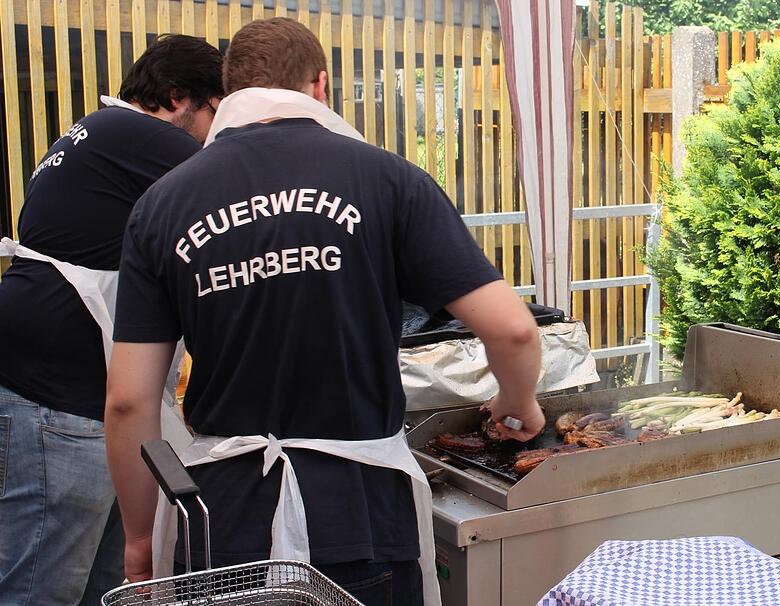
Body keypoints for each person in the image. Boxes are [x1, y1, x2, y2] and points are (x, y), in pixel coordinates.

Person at [104, 17, 544, 606]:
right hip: (356, 513)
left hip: (221, 520)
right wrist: (518, 402)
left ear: (228, 92)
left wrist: (138, 536)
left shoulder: (160, 205)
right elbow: (514, 330)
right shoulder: (388, 179)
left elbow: (128, 400)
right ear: (321, 86)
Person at [0, 35, 223, 606]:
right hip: (54, 399)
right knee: (42, 587)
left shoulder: (98, 132)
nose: (216, 133)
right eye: (217, 112)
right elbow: (241, 181)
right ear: (179, 98)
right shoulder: (137, 135)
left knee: (110, 586)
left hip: (58, 389)